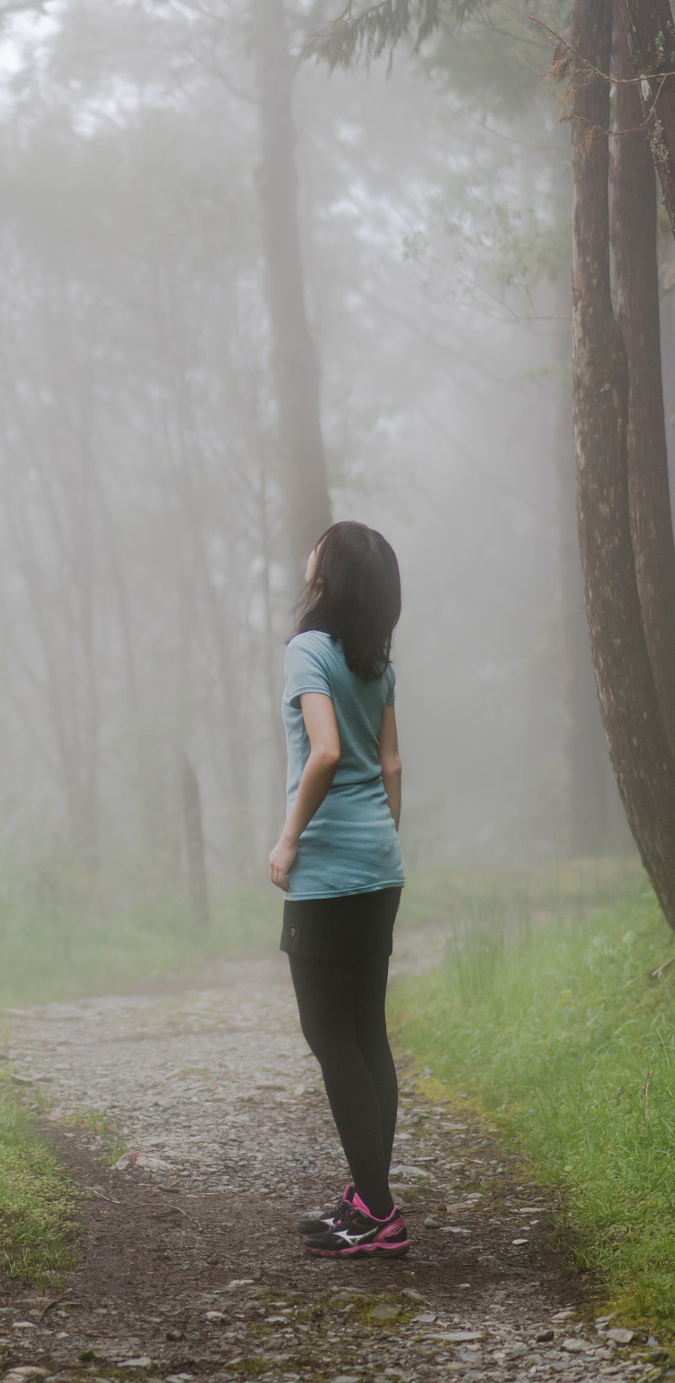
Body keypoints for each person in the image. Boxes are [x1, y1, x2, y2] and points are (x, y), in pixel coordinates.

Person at [268, 520, 408, 1258]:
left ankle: (377, 1214)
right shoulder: (374, 664)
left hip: (325, 874)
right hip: (378, 865)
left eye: (318, 545)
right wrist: (384, 841)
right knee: (366, 1032)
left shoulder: (305, 653)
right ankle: (365, 1195)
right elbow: (389, 767)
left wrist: (288, 838)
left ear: (328, 575)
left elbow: (323, 751)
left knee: (329, 1036)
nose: (308, 549)